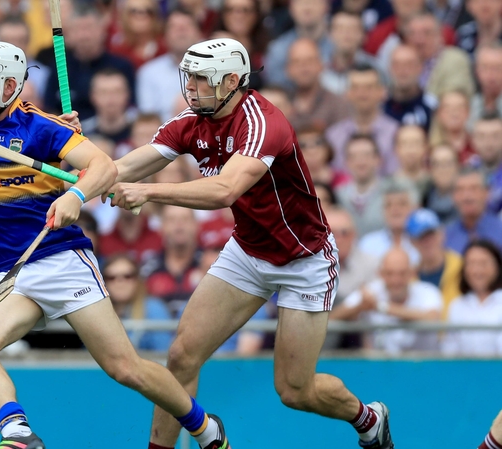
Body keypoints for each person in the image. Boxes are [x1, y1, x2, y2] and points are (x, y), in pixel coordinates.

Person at [0, 41, 230, 449]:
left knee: (124, 368)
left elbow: (103, 167)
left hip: (62, 259)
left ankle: (206, 428)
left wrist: (74, 197)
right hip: (11, 273)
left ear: (9, 85)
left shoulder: (41, 126)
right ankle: (19, 435)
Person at [106, 38, 393, 449]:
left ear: (233, 81)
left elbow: (224, 190)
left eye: (203, 80)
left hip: (304, 259)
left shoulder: (263, 123)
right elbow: (125, 165)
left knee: (295, 391)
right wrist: (79, 163)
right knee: (182, 356)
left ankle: (368, 417)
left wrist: (148, 192)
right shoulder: (192, 120)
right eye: (191, 78)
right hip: (248, 251)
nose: (193, 88)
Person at [331, 248, 443, 354]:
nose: (396, 280)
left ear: (411, 273)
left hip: (423, 367)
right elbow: (333, 317)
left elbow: (432, 318)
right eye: (390, 273)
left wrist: (380, 307)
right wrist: (360, 307)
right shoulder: (372, 291)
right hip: (381, 367)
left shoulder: (428, 291)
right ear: (381, 274)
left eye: (402, 273)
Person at [442, 240, 502, 356]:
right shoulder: (457, 306)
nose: (477, 270)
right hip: (464, 372)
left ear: (497, 266)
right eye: (471, 264)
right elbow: (450, 350)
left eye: (483, 263)